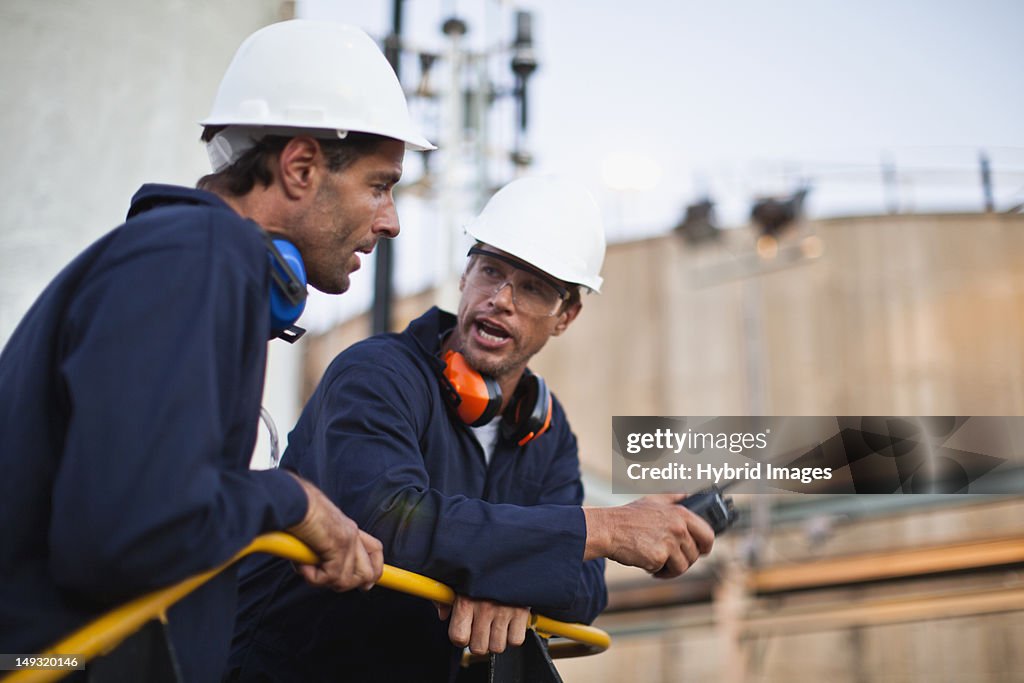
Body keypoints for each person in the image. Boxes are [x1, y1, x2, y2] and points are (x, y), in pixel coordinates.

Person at [0, 19, 433, 682]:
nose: (392, 219)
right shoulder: (202, 255)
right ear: (300, 166)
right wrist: (293, 501)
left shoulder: (184, 259)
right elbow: (130, 534)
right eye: (380, 185)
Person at [227, 176, 716, 682]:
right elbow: (388, 520)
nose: (501, 299)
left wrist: (498, 572)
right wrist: (605, 530)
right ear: (465, 277)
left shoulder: (548, 434)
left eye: (533, 288)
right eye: (490, 270)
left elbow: (587, 591)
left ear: (565, 315)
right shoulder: (376, 374)